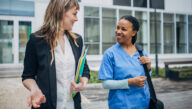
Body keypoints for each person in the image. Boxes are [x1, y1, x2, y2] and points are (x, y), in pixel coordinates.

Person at [21, 0, 90, 109]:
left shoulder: (77, 40)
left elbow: (85, 69)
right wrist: (35, 89)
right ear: (61, 12)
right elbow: (27, 76)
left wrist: (83, 84)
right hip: (46, 105)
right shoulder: (36, 40)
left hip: (73, 105)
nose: (76, 19)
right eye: (74, 13)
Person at [98, 15, 152, 109]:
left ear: (134, 33)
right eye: (117, 28)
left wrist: (148, 67)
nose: (118, 31)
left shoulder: (141, 52)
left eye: (123, 29)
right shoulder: (110, 54)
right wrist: (130, 81)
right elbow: (106, 84)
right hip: (120, 105)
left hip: (143, 103)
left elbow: (146, 79)